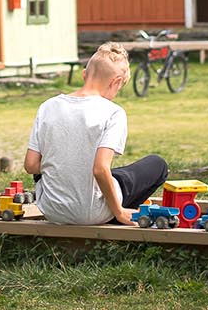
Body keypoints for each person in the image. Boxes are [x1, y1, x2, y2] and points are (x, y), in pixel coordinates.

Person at [24, 43, 168, 225]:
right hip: (92, 213)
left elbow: (31, 165)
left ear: (85, 74)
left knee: (103, 172)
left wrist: (63, 164)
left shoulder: (48, 106)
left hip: (53, 210)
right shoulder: (113, 113)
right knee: (158, 164)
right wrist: (119, 212)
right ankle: (117, 213)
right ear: (116, 81)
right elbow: (100, 169)